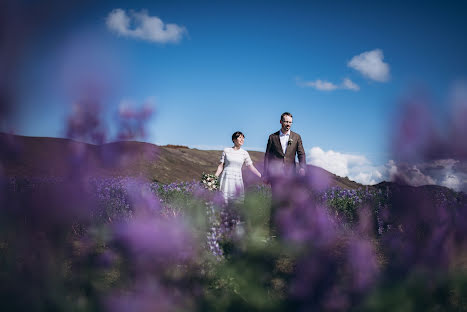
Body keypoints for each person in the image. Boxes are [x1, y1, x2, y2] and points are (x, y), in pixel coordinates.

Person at [264, 112, 306, 235]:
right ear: (281, 122)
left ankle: (288, 230)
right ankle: (272, 231)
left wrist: (302, 167)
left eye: (290, 122)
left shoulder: (296, 137)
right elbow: (267, 156)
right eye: (286, 122)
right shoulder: (272, 137)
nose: (288, 124)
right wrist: (265, 174)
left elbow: (301, 154)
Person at [215, 131, 262, 203]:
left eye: (243, 138)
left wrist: (261, 176)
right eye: (240, 137)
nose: (242, 140)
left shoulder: (244, 153)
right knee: (223, 202)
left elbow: (251, 167)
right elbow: (220, 166)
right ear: (234, 139)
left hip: (237, 180)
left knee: (236, 203)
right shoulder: (226, 150)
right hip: (226, 179)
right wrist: (214, 177)